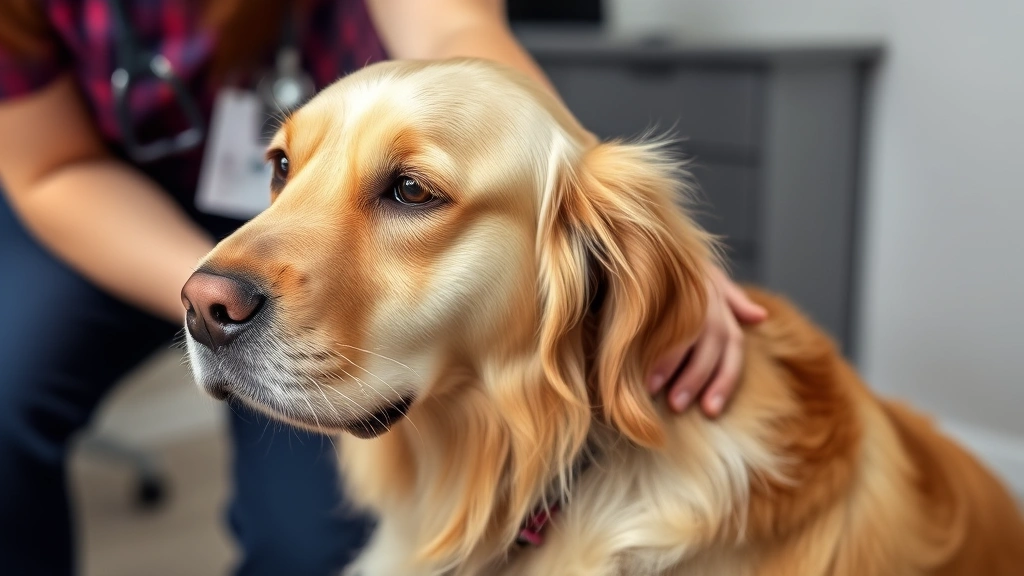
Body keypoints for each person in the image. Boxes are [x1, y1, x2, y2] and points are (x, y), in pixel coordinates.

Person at [0, 1, 767, 574]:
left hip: (317, 185)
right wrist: (231, 284)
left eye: (411, 189)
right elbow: (51, 168)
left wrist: (616, 226)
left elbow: (452, 34)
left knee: (315, 546)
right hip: (92, 190)